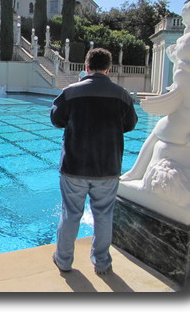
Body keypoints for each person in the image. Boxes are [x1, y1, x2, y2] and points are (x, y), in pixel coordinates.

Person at [50, 48, 138, 275]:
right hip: (108, 167)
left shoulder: (70, 92)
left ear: (86, 67)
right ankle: (102, 264)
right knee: (104, 216)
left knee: (70, 215)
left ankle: (64, 261)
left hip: (74, 167)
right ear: (108, 69)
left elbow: (57, 120)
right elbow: (129, 125)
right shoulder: (122, 95)